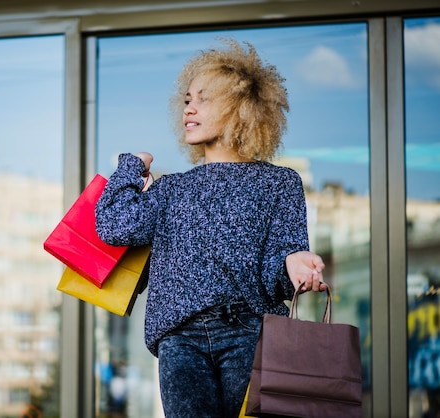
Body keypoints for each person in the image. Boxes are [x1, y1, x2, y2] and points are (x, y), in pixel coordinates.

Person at [95, 38, 327, 418]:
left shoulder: (279, 183)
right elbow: (114, 225)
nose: (190, 108)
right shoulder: (171, 187)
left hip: (250, 334)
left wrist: (293, 263)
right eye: (187, 99)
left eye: (204, 99)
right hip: (179, 341)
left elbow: (278, 271)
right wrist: (130, 167)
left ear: (241, 109)